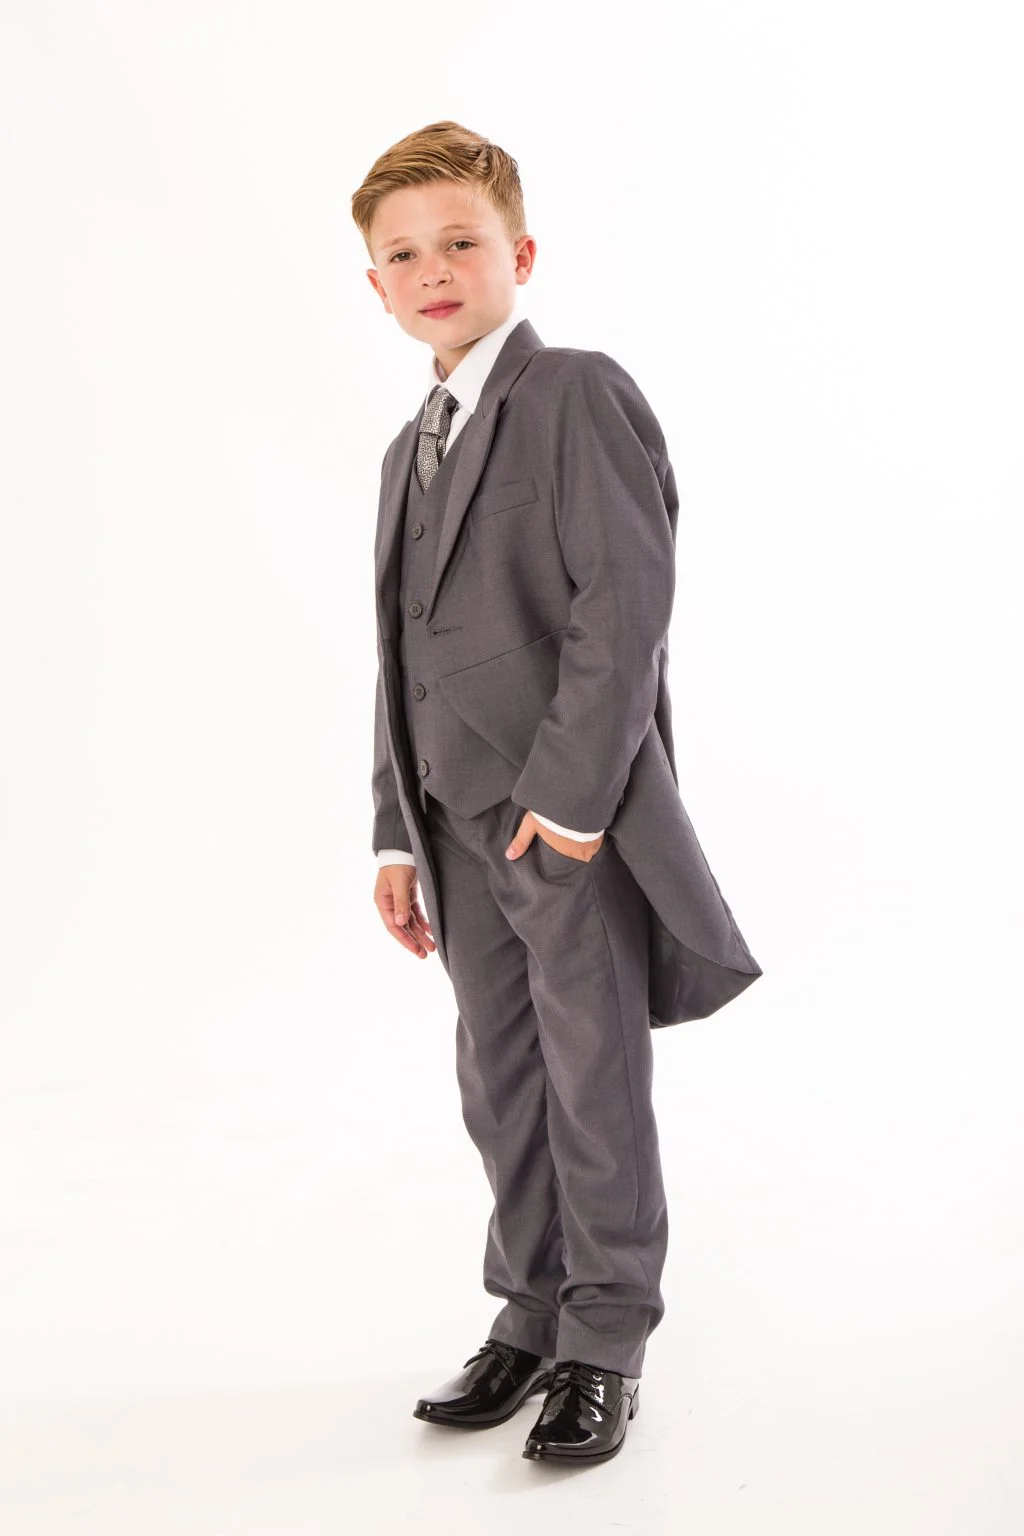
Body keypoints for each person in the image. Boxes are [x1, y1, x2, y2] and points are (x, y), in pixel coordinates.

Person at [351, 120, 761, 1466]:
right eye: (403, 254)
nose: (434, 269)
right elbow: (400, 653)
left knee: (593, 1076)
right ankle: (529, 1313)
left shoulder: (574, 393)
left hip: (562, 818)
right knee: (501, 1075)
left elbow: (624, 605)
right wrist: (395, 832)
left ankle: (606, 1338)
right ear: (374, 283)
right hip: (452, 823)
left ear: (519, 255)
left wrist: (575, 800)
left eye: (461, 242)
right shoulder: (407, 449)